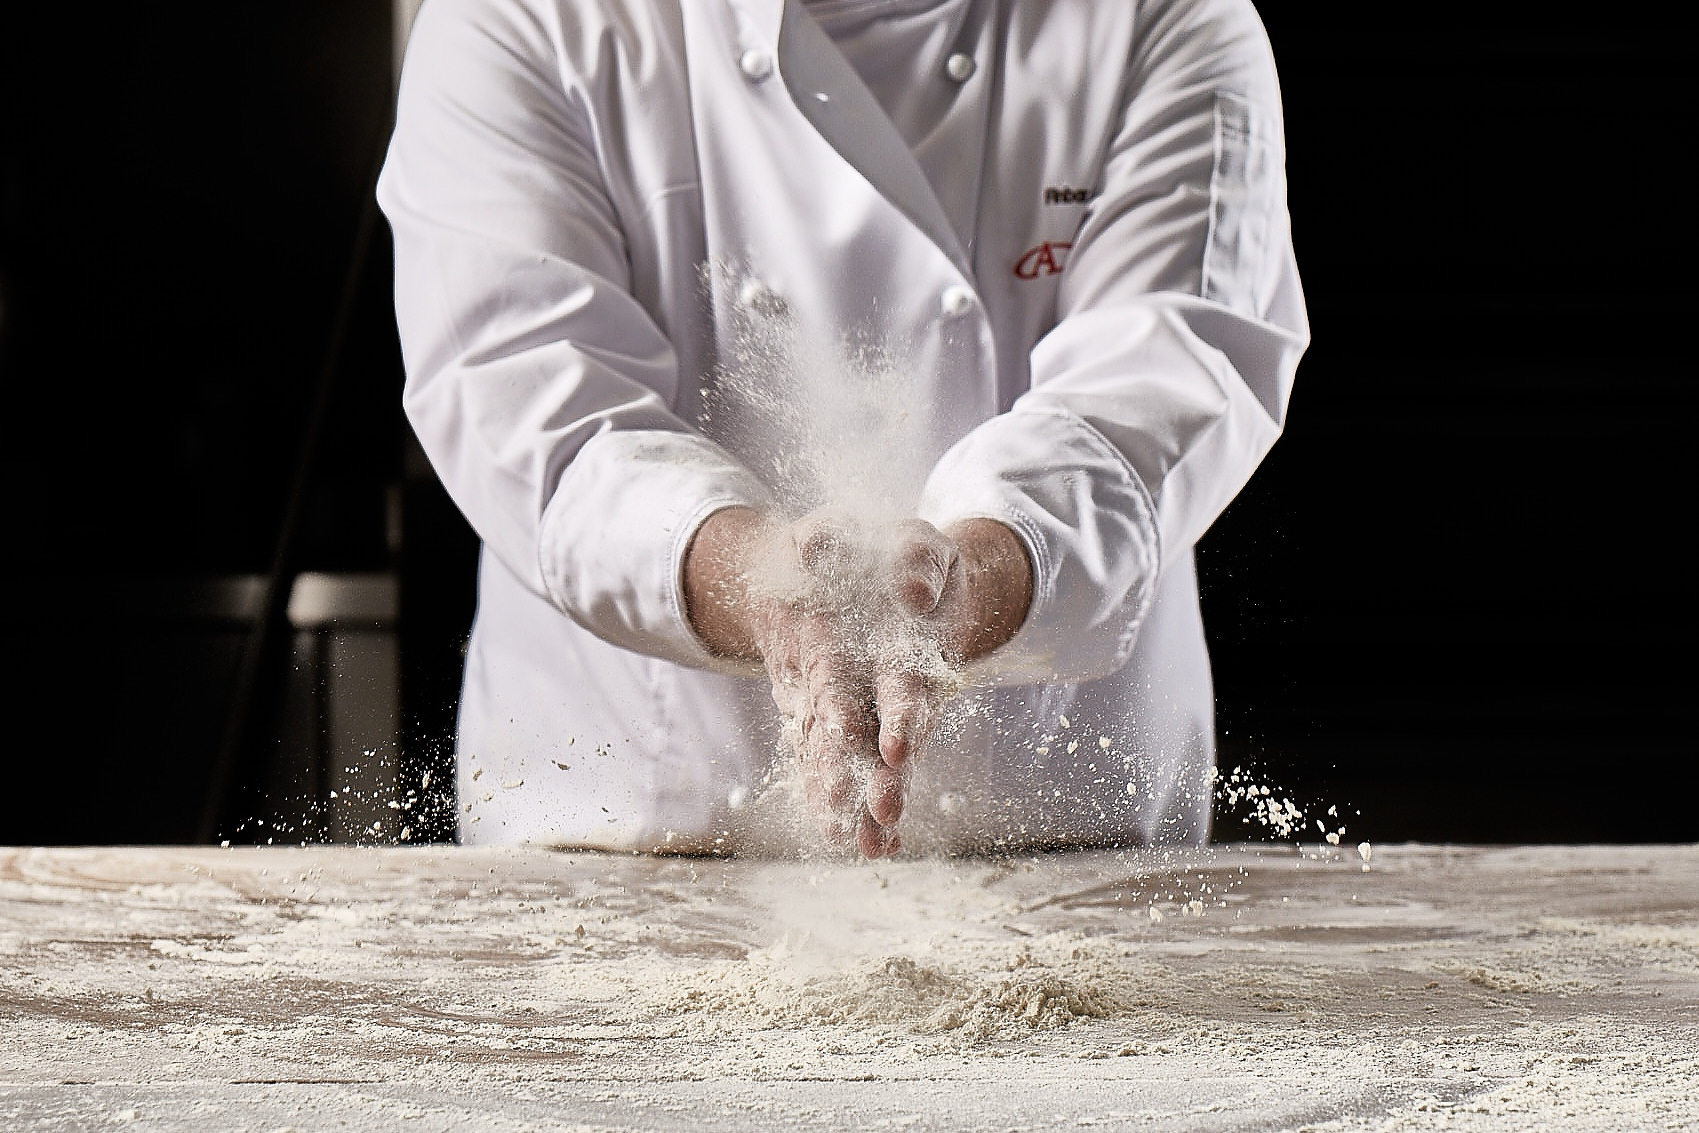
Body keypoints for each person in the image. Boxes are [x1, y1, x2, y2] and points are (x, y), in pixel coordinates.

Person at [378, 0, 1308, 857]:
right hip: (624, 838)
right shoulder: (518, 17)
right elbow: (539, 411)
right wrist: (766, 588)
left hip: (1063, 852)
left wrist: (968, 583)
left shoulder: (1161, 15)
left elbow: (1164, 380)